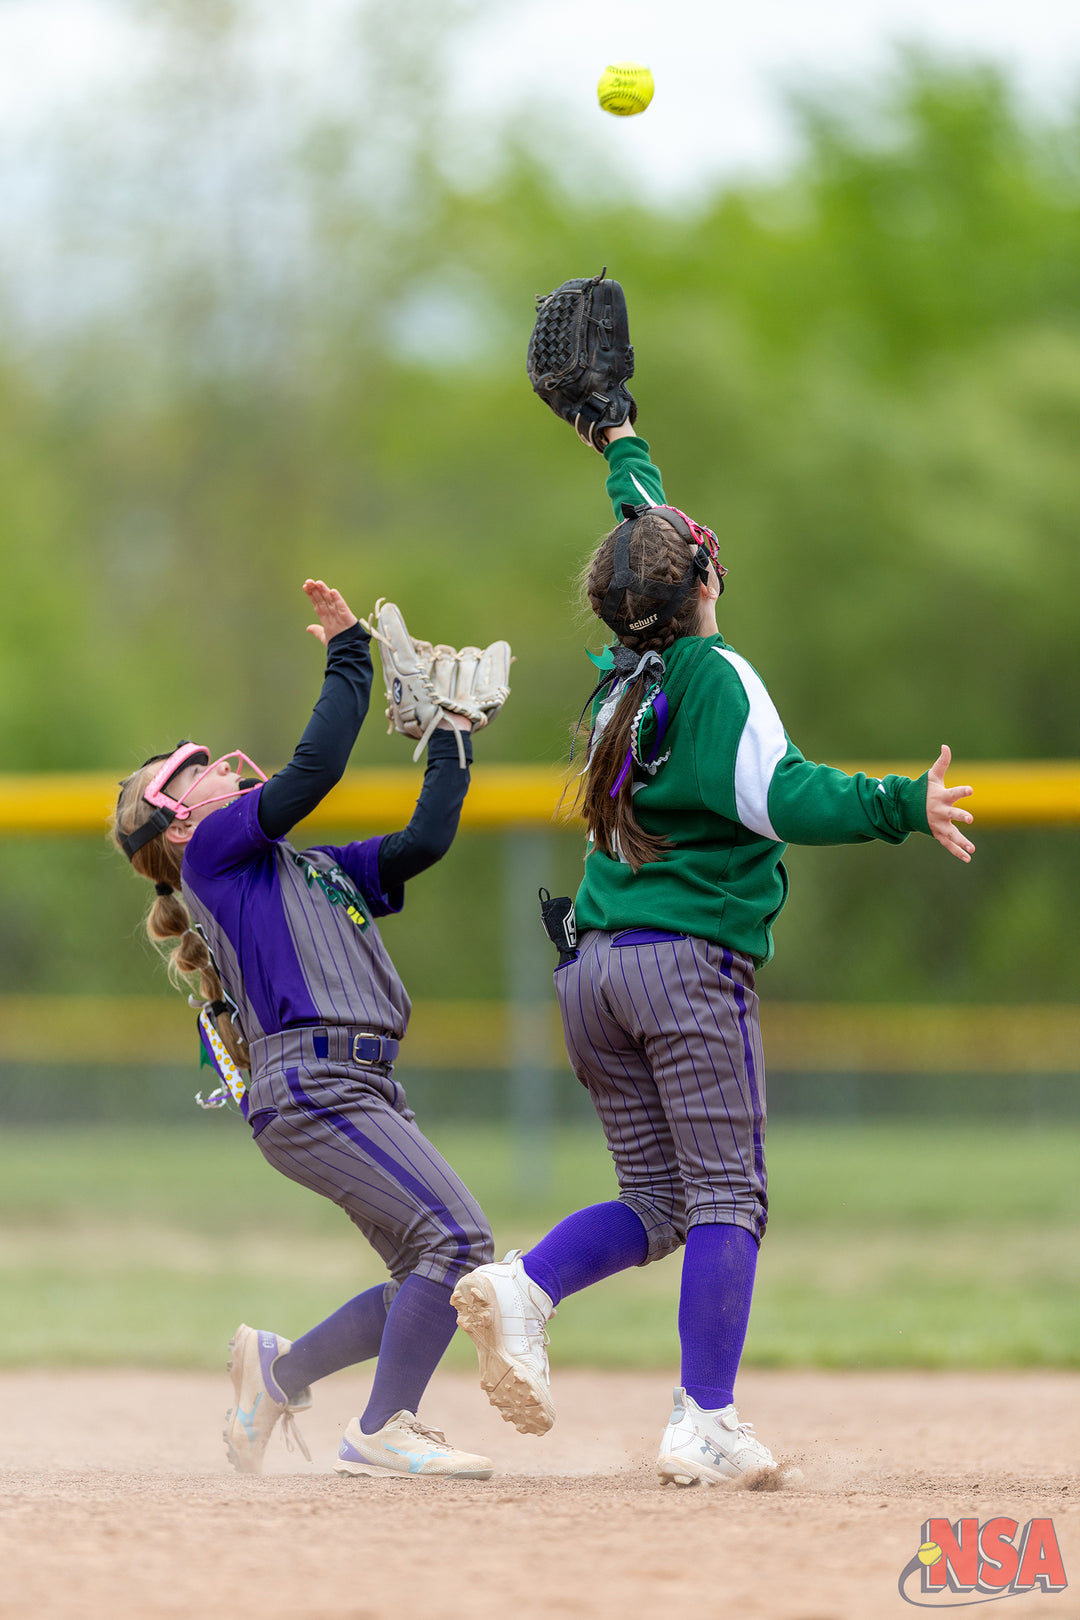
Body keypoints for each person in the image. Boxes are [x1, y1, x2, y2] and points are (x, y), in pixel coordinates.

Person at [452, 419, 975, 1488]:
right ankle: (705, 1421)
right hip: (685, 968)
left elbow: (642, 545)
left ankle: (523, 1291)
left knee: (661, 1204)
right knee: (730, 1198)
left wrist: (620, 442)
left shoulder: (619, 684)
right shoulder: (714, 678)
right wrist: (900, 805)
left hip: (594, 968)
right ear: (704, 584)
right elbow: (786, 795)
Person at [112, 578, 500, 1481]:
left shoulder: (304, 870)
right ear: (179, 817)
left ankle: (277, 1375)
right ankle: (382, 1428)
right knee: (460, 1243)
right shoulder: (213, 856)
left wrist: (449, 740)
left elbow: (422, 844)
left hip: (353, 1086)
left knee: (427, 1272)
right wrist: (348, 651)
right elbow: (315, 768)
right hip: (313, 1084)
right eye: (192, 768)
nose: (213, 765)